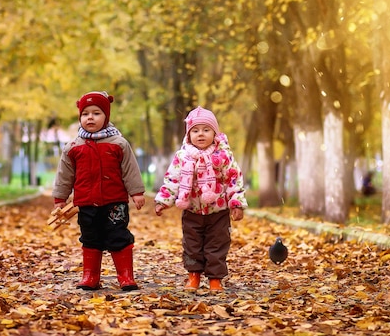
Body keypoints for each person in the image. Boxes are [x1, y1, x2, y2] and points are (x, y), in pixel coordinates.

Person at [52, 91, 146, 291]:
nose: (90, 118)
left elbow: (130, 169)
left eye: (96, 113)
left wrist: (136, 192)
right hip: (86, 203)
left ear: (106, 117)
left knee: (118, 235)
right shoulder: (73, 147)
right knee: (90, 237)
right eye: (85, 114)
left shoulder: (118, 143)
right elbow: (65, 175)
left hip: (115, 202)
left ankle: (126, 276)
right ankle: (91, 276)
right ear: (80, 118)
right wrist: (60, 197)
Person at [154, 106, 247, 292]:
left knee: (217, 244)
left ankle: (215, 279)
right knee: (192, 244)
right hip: (192, 210)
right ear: (189, 135)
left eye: (206, 130)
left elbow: (233, 179)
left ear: (215, 132)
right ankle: (193, 276)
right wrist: (163, 200)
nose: (201, 134)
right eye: (195, 131)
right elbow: (173, 179)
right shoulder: (183, 156)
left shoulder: (223, 156)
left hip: (218, 211)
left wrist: (236, 202)